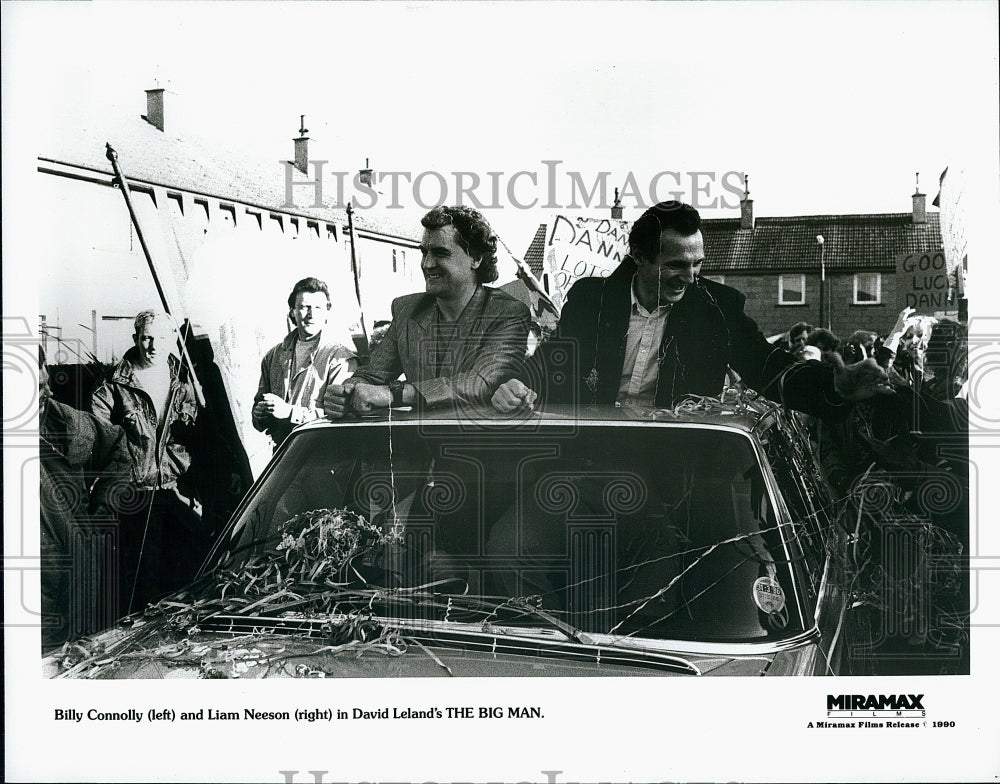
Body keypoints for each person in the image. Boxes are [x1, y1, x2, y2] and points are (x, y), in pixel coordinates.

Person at [492, 200, 891, 416]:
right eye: (676, 266)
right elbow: (550, 360)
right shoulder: (590, 301)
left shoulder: (716, 312)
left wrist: (833, 385)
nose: (690, 277)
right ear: (638, 258)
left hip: (679, 470)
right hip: (591, 462)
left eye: (698, 265)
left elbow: (767, 365)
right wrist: (509, 385)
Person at [324, 206, 530, 416]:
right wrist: (347, 392)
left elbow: (481, 381)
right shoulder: (406, 310)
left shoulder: (507, 312)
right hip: (418, 441)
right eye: (424, 252)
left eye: (441, 253)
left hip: (475, 440)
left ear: (475, 259)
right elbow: (371, 376)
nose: (427, 263)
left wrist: (393, 394)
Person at [90, 309, 206, 611]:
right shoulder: (114, 387)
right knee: (138, 586)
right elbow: (100, 439)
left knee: (178, 580)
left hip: (174, 493)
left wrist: (192, 487)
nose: (153, 345)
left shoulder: (184, 384)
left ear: (172, 341)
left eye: (161, 338)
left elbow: (199, 440)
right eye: (146, 338)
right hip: (134, 498)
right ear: (136, 339)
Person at [39, 348, 131, 648]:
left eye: (45, 381)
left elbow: (117, 444)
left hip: (81, 581)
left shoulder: (63, 420)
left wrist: (102, 508)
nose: (47, 388)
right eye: (37, 388)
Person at [252, 277, 356, 446]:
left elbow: (344, 416)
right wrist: (259, 414)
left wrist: (291, 412)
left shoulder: (340, 358)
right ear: (293, 311)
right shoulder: (273, 356)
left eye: (318, 307)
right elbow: (259, 407)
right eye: (304, 307)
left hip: (323, 454)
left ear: (327, 311)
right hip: (284, 453)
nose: (311, 314)